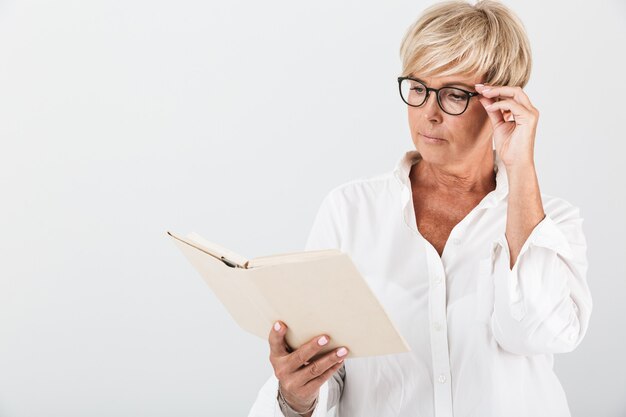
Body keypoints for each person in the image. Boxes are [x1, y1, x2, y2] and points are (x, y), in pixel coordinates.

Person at [248, 1, 592, 416]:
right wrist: (296, 398)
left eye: (453, 95)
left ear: (500, 102)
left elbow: (537, 333)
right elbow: (326, 364)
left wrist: (521, 167)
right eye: (418, 88)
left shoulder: (551, 222)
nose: (428, 113)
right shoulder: (350, 211)